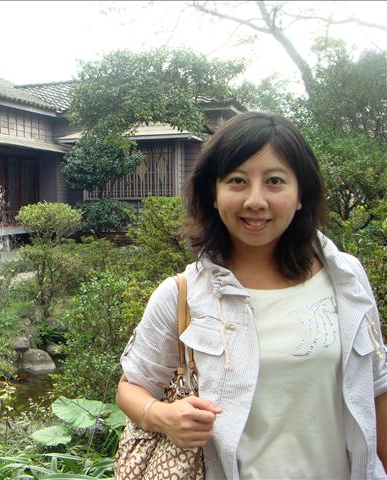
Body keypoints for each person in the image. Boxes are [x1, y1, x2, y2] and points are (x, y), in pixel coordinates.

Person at [116, 112, 387, 479]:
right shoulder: (182, 294)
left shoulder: (346, 278)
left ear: (300, 194)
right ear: (213, 194)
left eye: (274, 181)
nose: (255, 200)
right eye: (237, 181)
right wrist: (163, 417)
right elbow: (131, 388)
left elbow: (377, 390)